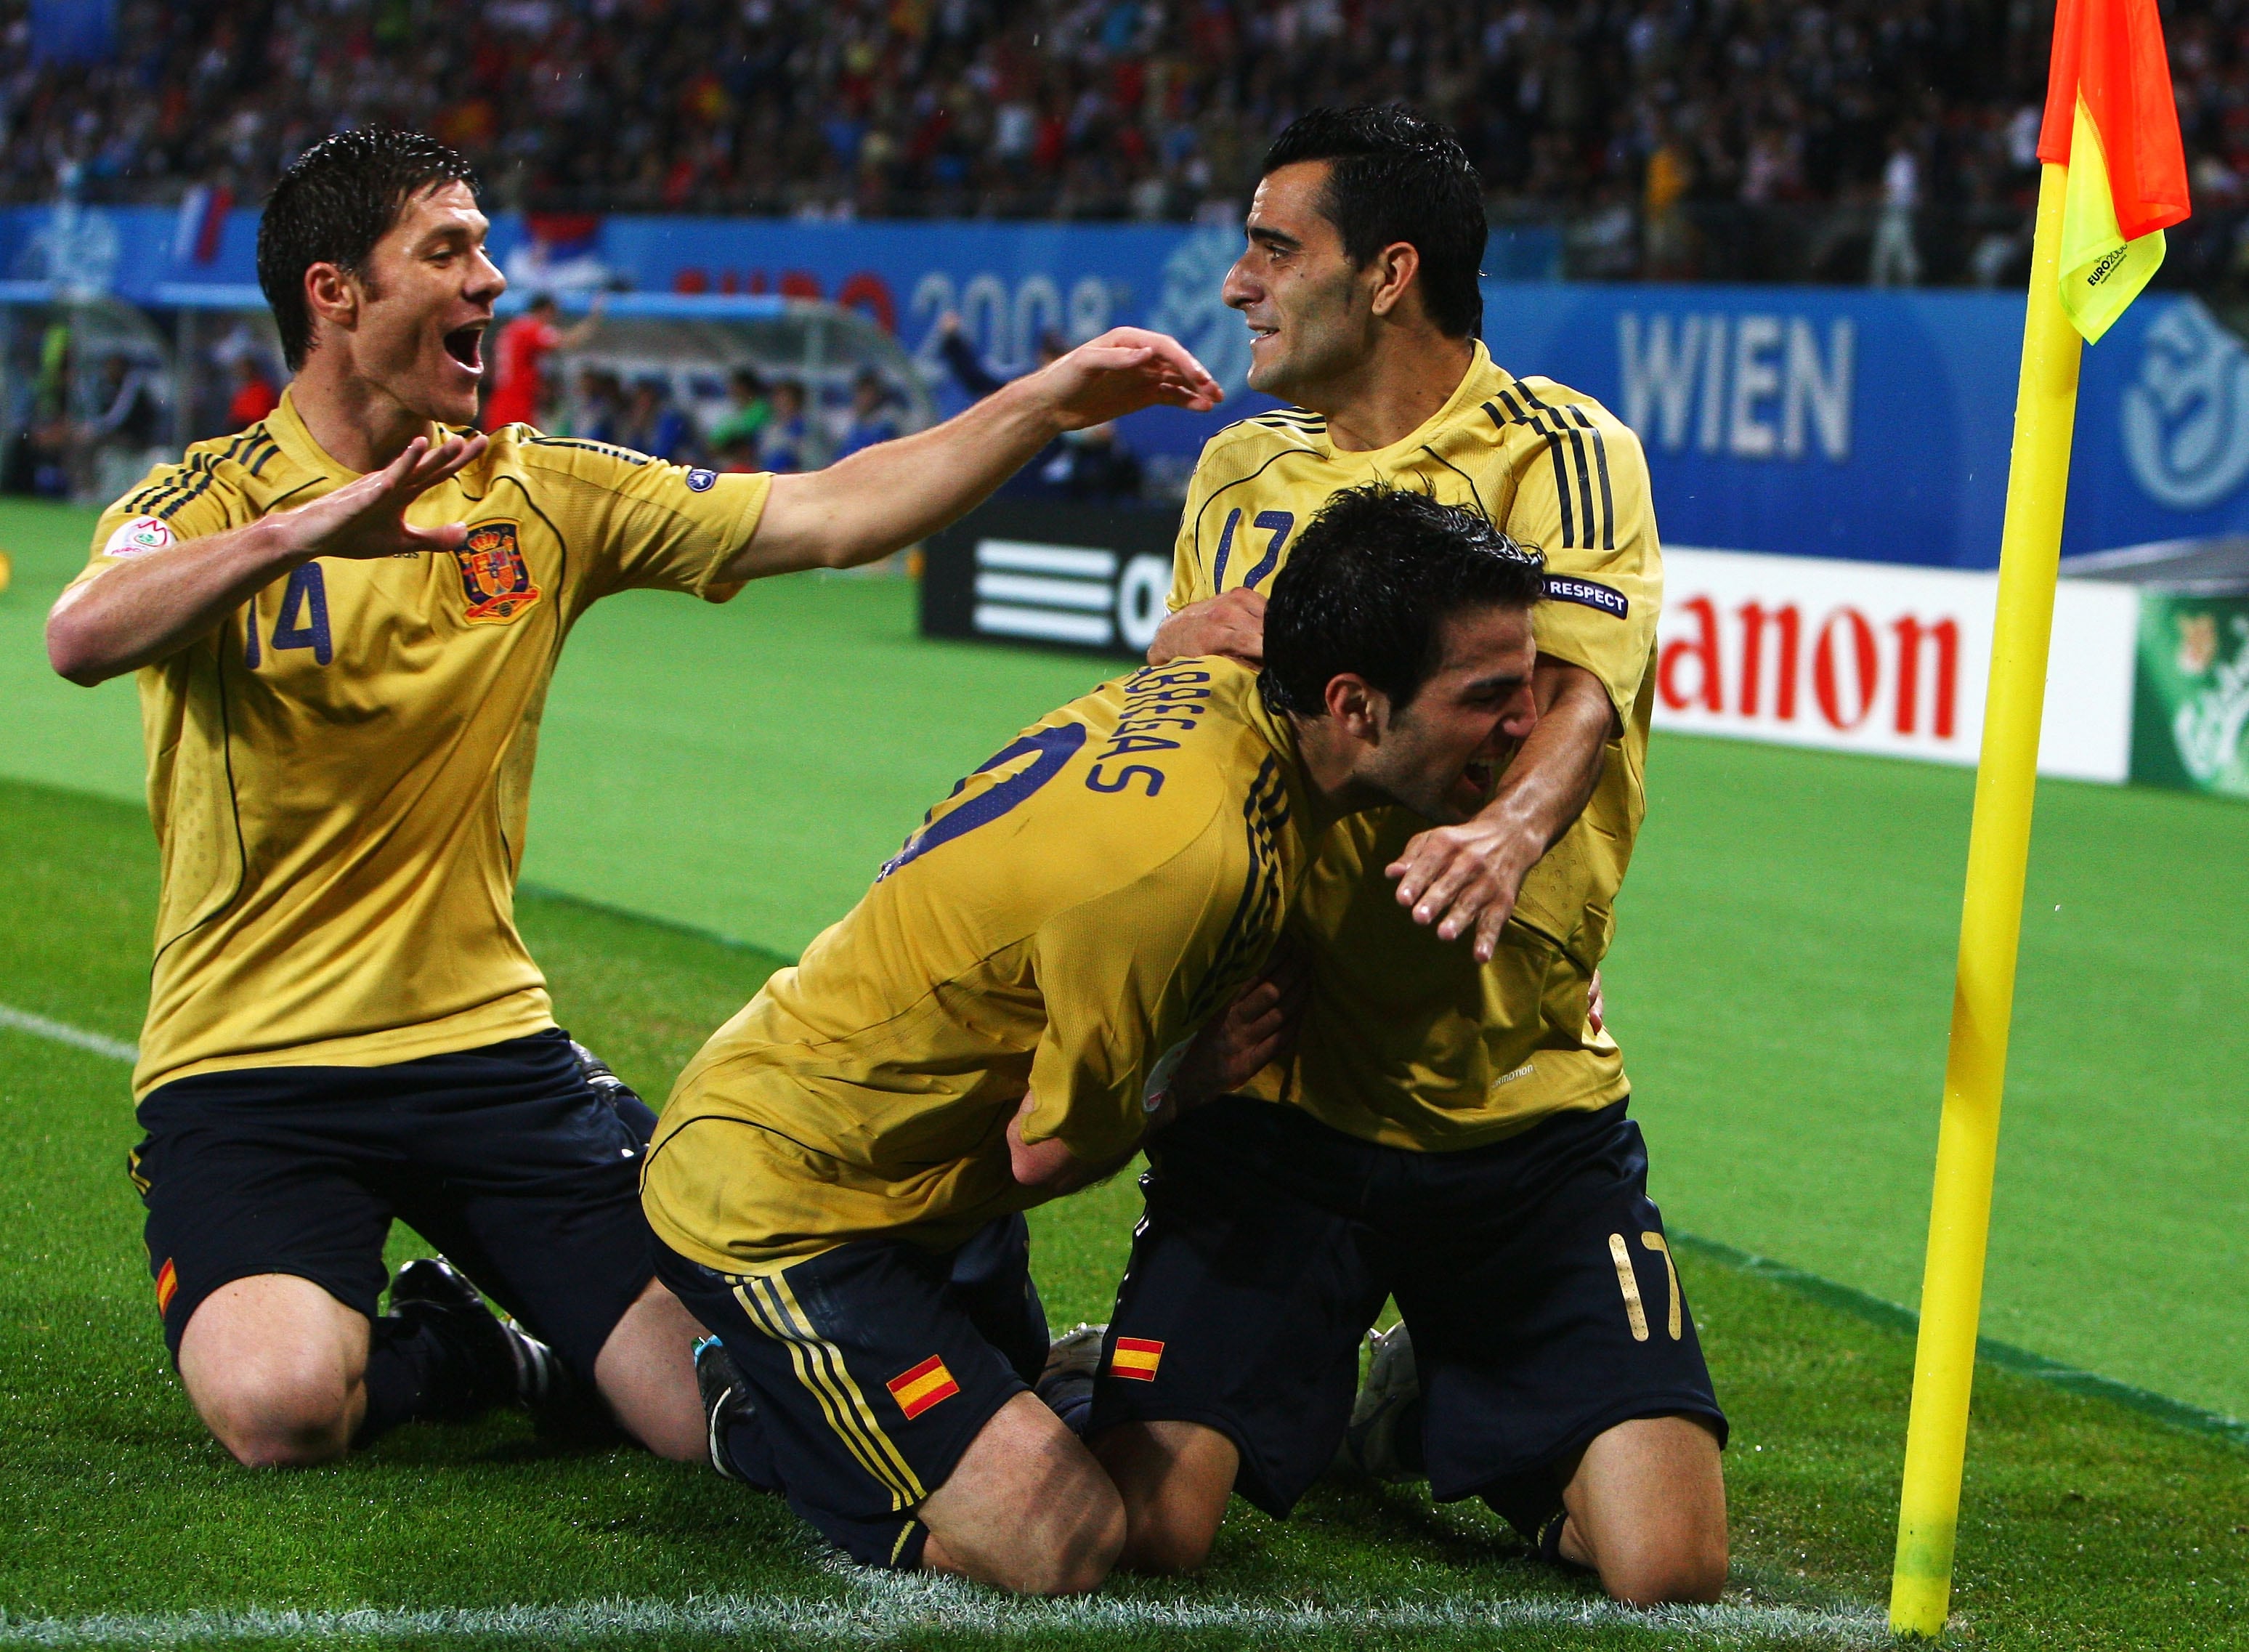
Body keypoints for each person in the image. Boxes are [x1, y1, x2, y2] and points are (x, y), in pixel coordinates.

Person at [42, 128, 1218, 1474]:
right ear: (335, 292)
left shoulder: (539, 493)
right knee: (280, 1402)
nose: (492, 280)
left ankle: (560, 1350)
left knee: (714, 1406)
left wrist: (1045, 402)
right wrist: (308, 530)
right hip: (246, 1066)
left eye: (485, 246)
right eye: (449, 249)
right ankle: (468, 1347)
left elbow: (828, 512)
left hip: (486, 1050)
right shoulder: (207, 498)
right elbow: (83, 634)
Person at [649, 486, 1547, 1594]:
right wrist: (1193, 1076)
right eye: (1492, 695)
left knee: (1079, 1446)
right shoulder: (1185, 865)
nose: (1528, 722)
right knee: (1060, 1540)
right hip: (789, 1198)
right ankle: (756, 1406)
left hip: (917, 1172)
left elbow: (1201, 635)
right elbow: (1047, 1153)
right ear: (1356, 705)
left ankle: (940, 1390)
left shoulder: (1232, 695)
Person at [1077, 106, 1727, 1606]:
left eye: (1270, 247)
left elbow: (1585, 688)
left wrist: (1505, 831)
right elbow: (1201, 737)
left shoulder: (1561, 450)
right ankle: (1279, 1382)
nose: (1237, 282)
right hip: (1289, 1100)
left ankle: (1423, 1403)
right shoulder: (1237, 475)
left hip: (1520, 1109)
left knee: (1668, 1571)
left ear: (1386, 274)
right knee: (1150, 1532)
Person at [481, 291, 602, 432]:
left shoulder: (511, 329)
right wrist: (594, 317)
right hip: (517, 405)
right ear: (547, 310)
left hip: (499, 402)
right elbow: (569, 341)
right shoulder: (530, 329)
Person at [227, 353, 280, 428]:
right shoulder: (242, 391)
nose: (242, 373)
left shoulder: (263, 390)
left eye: (245, 369)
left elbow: (259, 415)